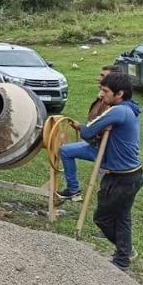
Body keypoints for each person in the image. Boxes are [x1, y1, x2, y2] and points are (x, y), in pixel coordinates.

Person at [79, 72, 143, 271]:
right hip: (133, 175)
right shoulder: (129, 109)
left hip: (120, 177)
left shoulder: (118, 111)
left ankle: (125, 251)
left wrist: (85, 127)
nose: (101, 94)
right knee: (122, 216)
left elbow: (87, 132)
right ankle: (122, 259)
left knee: (103, 218)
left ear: (119, 93)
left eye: (105, 91)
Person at [57, 65, 122, 201]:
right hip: (94, 146)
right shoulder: (102, 98)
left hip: (106, 151)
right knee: (66, 151)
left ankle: (109, 206)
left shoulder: (112, 104)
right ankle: (73, 190)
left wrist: (82, 128)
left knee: (107, 189)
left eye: (103, 76)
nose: (99, 78)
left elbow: (98, 128)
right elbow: (94, 123)